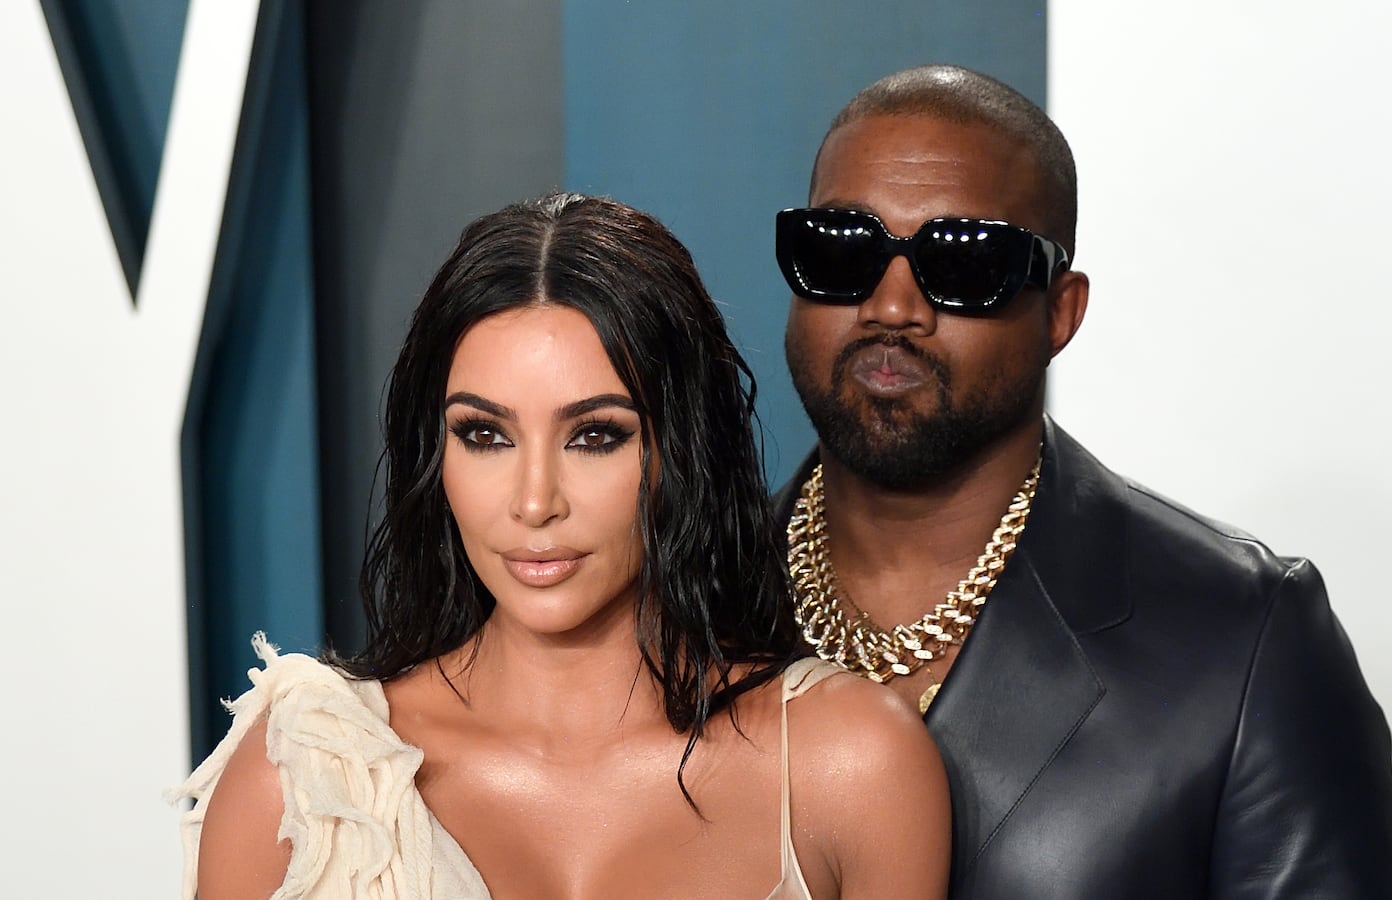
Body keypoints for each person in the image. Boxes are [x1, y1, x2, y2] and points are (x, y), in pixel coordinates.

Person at [172, 192, 949, 899]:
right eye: (485, 435)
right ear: (435, 454)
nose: (534, 502)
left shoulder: (850, 767)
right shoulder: (304, 780)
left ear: (683, 449)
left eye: (595, 436)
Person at [773, 65, 1392, 897]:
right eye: (841, 249)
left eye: (965, 263)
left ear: (1061, 312)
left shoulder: (1245, 640)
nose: (893, 307)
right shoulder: (677, 604)